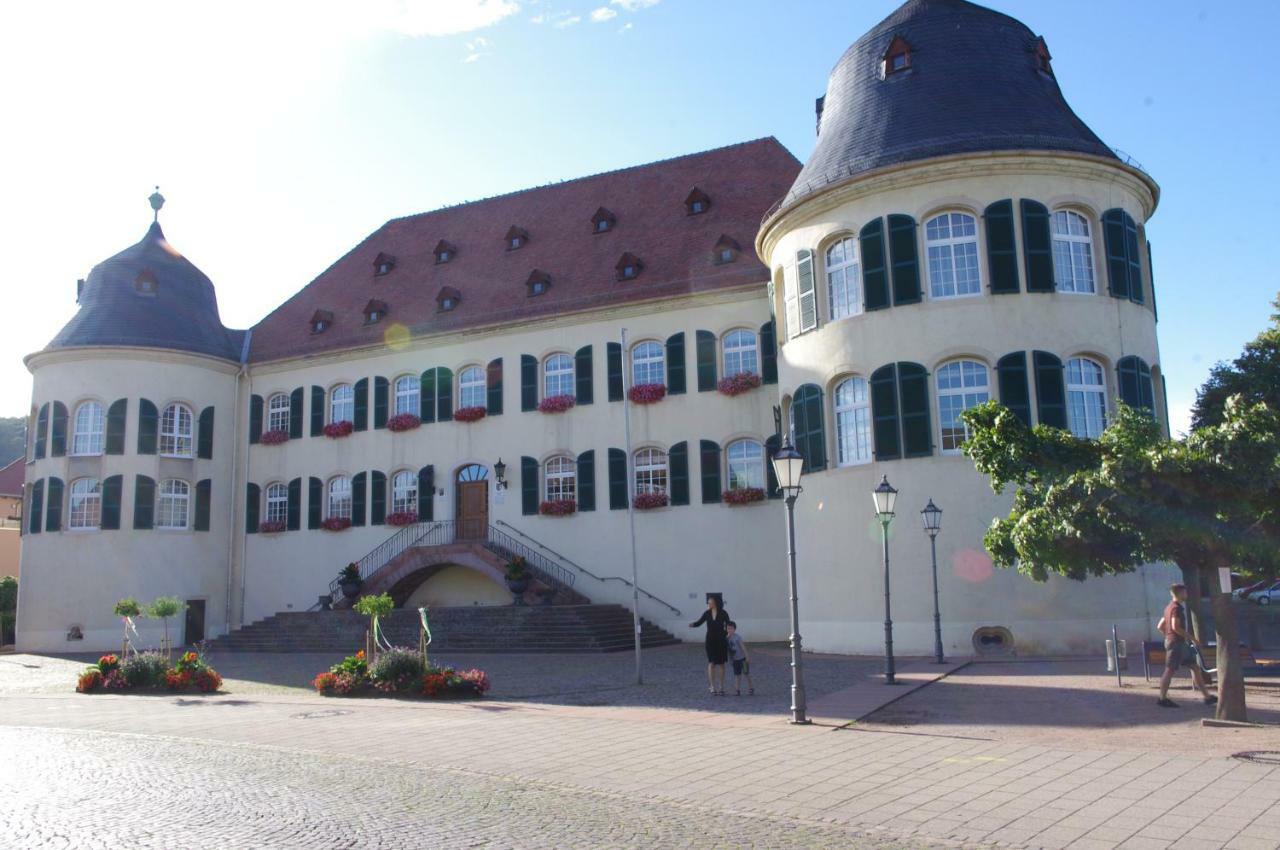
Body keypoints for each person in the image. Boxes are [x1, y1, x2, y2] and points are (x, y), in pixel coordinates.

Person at [1157, 583, 1217, 708]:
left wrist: (1168, 636)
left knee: (1195, 667)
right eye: (1185, 592)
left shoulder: (1168, 607)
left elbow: (1160, 626)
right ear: (1179, 594)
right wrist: (1193, 638)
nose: (1187, 595)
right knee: (1169, 670)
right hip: (1177, 643)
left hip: (1177, 643)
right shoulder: (1176, 608)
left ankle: (1207, 697)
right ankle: (1162, 698)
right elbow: (1175, 627)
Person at [689, 595, 730, 695]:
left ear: (715, 602)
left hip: (721, 640)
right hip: (710, 641)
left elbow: (729, 625)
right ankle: (712, 686)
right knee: (711, 663)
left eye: (710, 602)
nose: (708, 603)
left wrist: (729, 635)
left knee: (721, 664)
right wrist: (692, 625)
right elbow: (699, 622)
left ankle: (721, 686)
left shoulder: (723, 613)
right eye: (708, 602)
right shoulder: (707, 613)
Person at [725, 621, 754, 696]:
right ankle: (737, 690)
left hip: (742, 659)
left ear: (734, 629)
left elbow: (743, 647)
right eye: (728, 628)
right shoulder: (726, 638)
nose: (730, 630)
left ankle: (751, 688)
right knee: (737, 675)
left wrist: (747, 656)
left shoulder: (737, 637)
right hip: (735, 660)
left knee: (746, 674)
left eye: (731, 628)